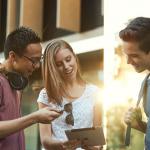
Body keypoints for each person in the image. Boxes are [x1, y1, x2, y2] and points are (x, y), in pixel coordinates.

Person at [0, 27, 61, 150]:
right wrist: (34, 118)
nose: (37, 66)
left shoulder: (17, 86)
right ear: (13, 56)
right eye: (33, 60)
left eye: (40, 60)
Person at [37, 39, 103, 150]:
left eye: (68, 59)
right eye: (59, 64)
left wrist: (96, 147)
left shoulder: (94, 93)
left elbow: (98, 139)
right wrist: (62, 145)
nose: (66, 66)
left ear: (74, 57)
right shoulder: (46, 95)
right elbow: (45, 140)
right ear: (53, 68)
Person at [119, 17, 150, 149]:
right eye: (126, 55)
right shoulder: (147, 82)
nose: (128, 62)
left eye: (134, 55)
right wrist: (140, 125)